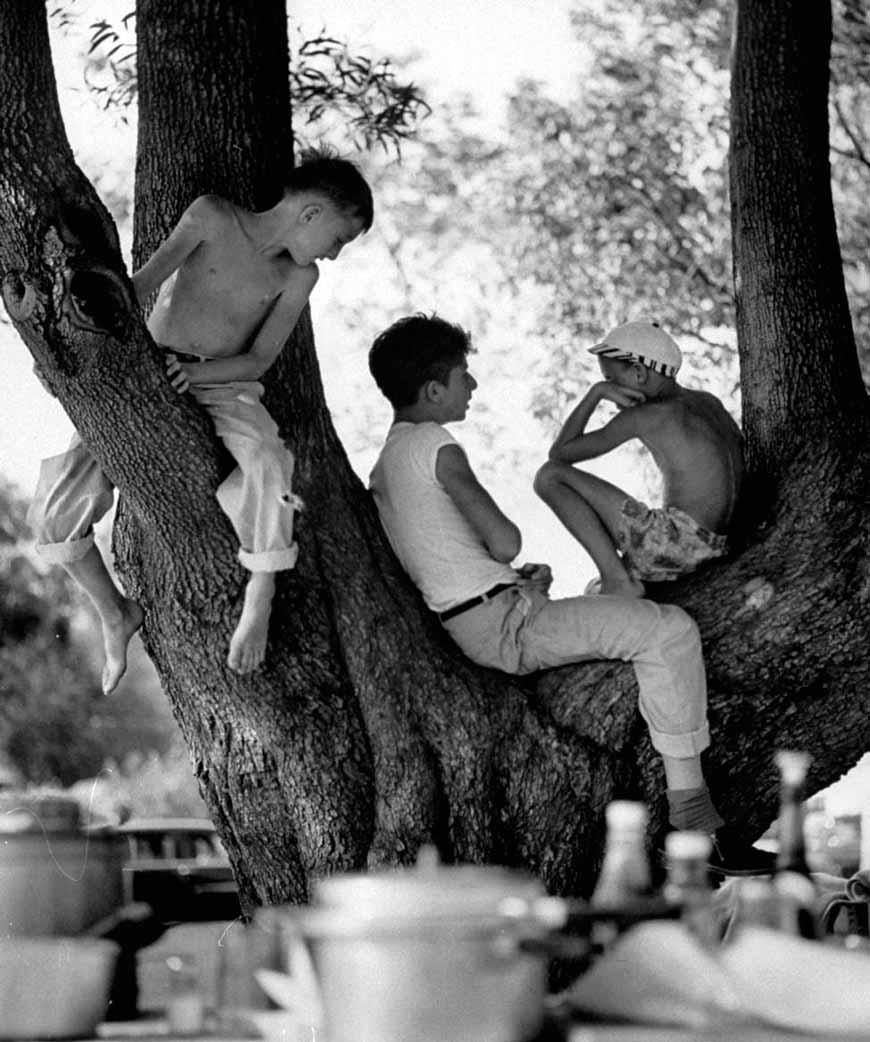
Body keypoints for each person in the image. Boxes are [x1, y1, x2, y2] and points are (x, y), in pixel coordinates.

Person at [367, 313, 771, 875]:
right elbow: (505, 540)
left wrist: (514, 583)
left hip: (492, 612)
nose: (474, 385)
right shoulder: (438, 445)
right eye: (465, 374)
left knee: (610, 605)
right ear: (434, 389)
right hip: (501, 627)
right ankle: (699, 825)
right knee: (668, 630)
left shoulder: (388, 462)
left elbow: (449, 557)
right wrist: (506, 571)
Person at [29, 151, 373, 691]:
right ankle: (114, 612)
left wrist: (201, 376)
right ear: (310, 214)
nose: (333, 255)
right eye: (338, 239)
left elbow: (259, 359)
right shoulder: (212, 216)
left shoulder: (297, 276)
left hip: (227, 386)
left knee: (266, 457)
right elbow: (138, 288)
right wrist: (67, 349)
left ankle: (260, 592)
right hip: (150, 375)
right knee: (55, 505)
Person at [534, 319, 743, 598]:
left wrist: (596, 394)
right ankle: (617, 579)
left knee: (549, 475)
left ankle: (617, 580)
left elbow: (560, 454)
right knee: (592, 591)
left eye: (610, 379)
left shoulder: (647, 414)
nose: (610, 386)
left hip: (676, 545)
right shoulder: (709, 403)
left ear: (639, 373)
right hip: (723, 543)